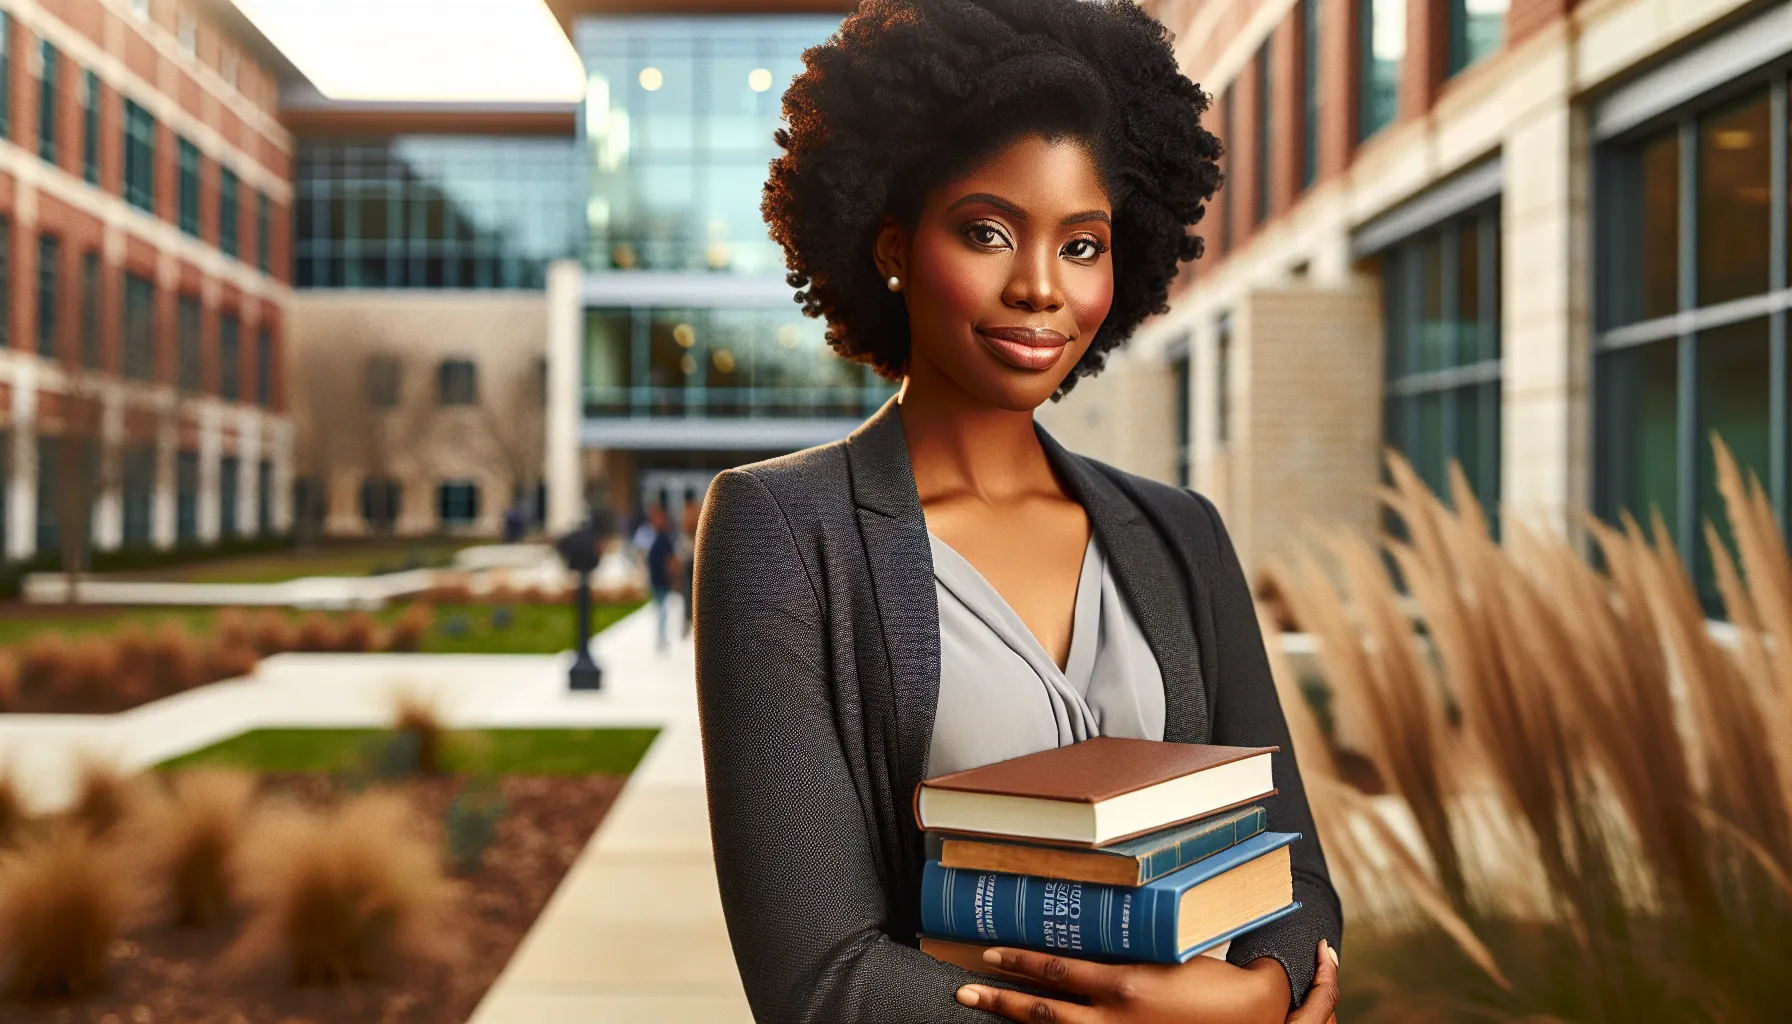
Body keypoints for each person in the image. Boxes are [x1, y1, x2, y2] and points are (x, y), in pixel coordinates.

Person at [693, 2, 1342, 1023]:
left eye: (1082, 244)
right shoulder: (781, 530)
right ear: (894, 245)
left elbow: (1295, 877)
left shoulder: (1181, 535)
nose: (1040, 287)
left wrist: (1264, 990)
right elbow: (818, 980)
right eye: (987, 232)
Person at [643, 504, 677, 651]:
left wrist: (672, 578)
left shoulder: (664, 539)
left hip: (662, 579)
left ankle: (661, 638)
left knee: (662, 610)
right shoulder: (654, 537)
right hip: (655, 579)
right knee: (659, 609)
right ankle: (660, 637)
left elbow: (670, 560)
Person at [678, 495, 701, 638]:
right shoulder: (688, 511)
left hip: (694, 559)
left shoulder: (694, 511)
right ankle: (688, 620)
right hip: (690, 559)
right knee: (688, 592)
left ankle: (692, 621)